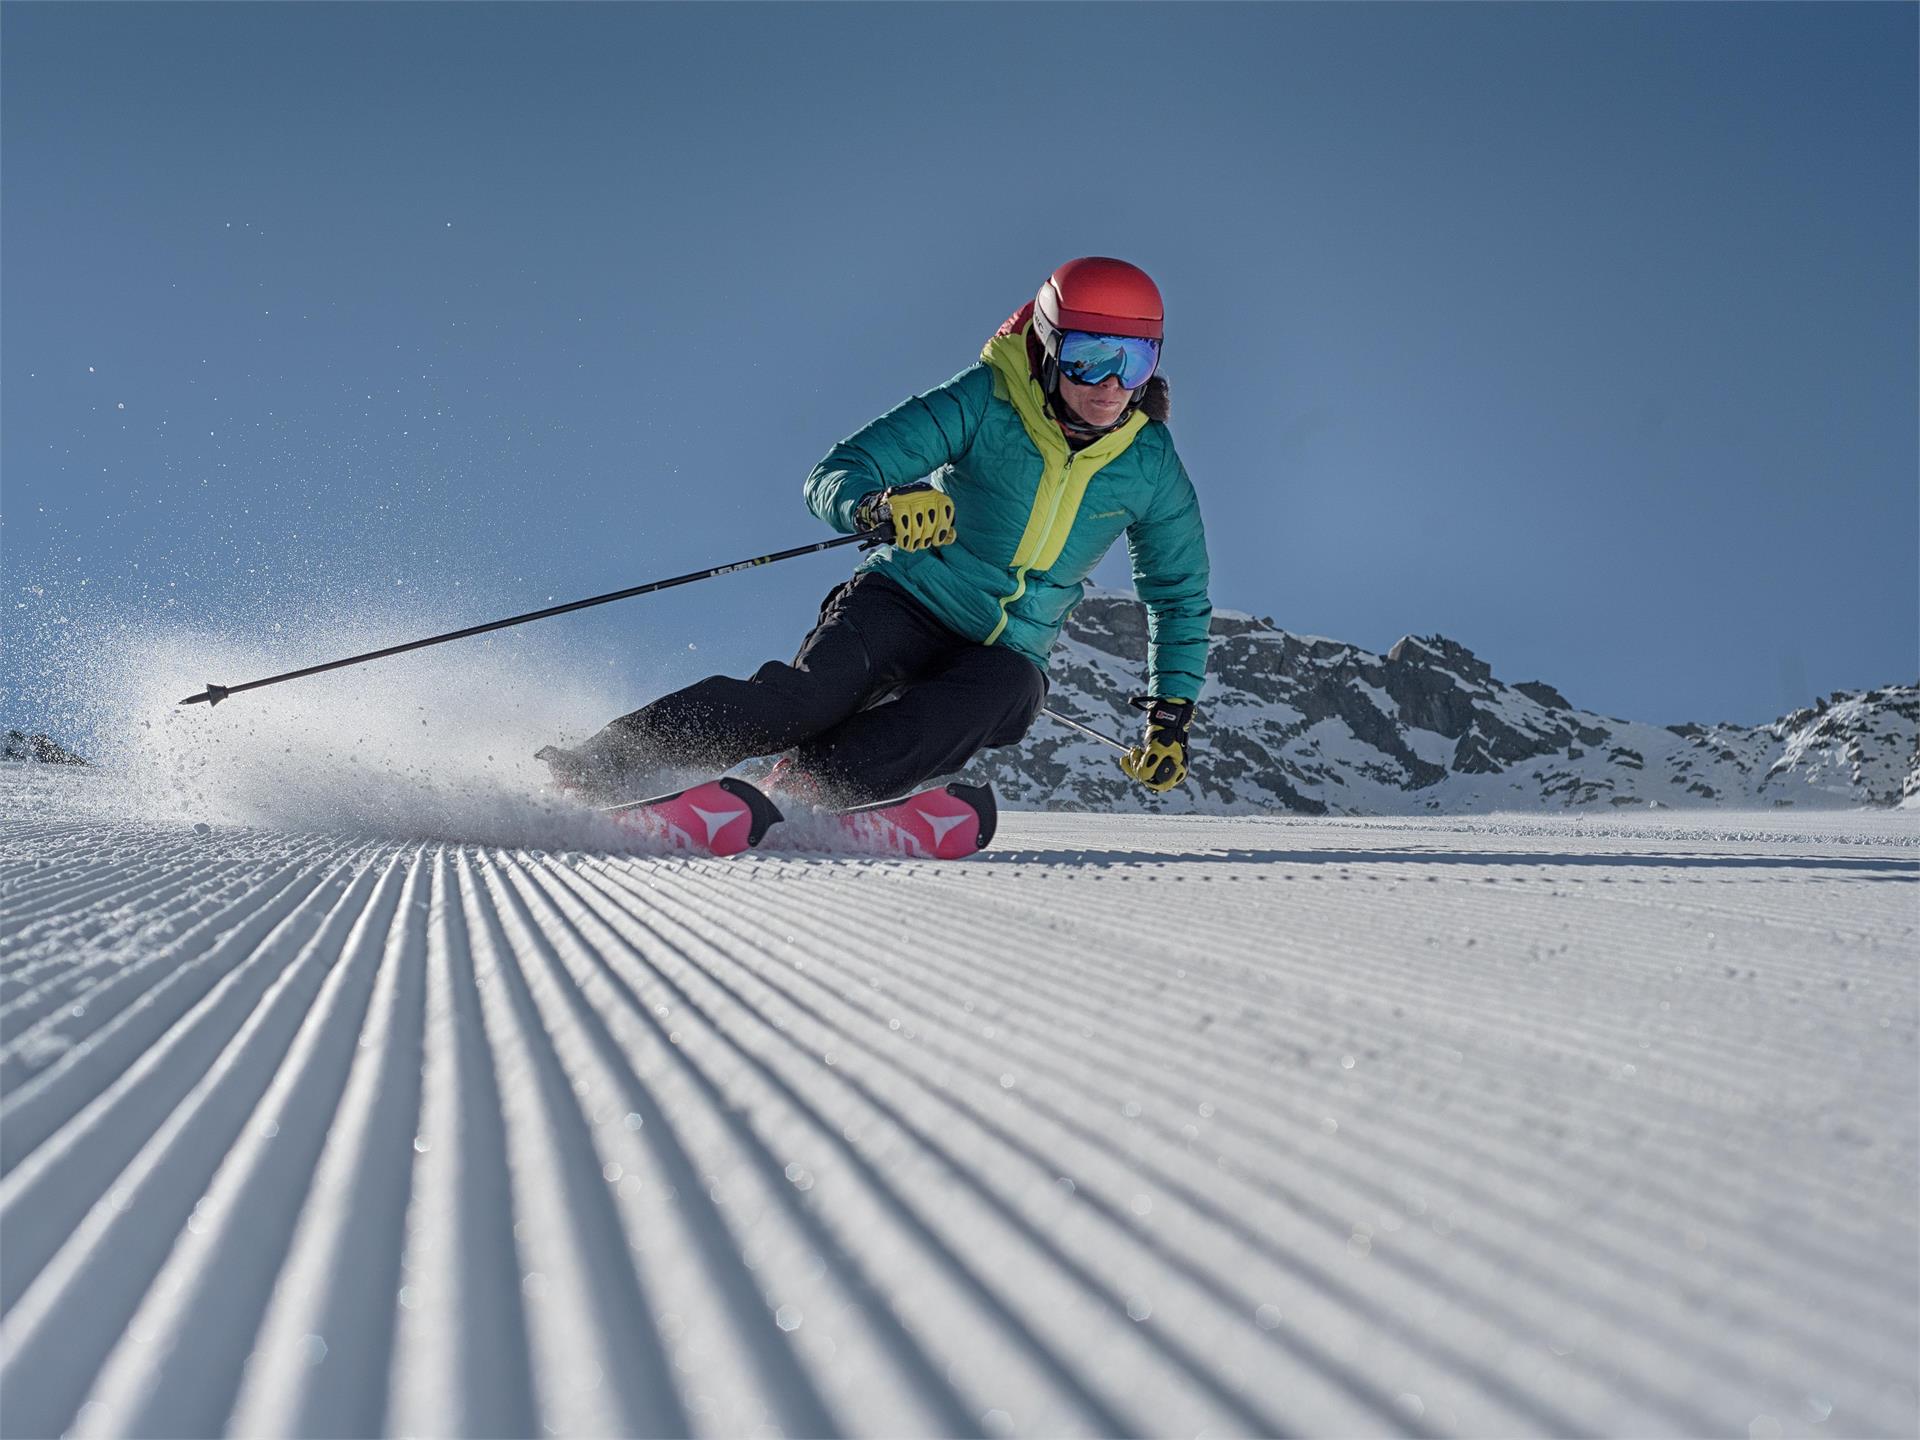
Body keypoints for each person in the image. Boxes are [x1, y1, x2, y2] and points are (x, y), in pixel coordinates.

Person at [539, 255, 1212, 809]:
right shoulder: (986, 398)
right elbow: (839, 472)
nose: (1110, 385)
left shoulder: (1150, 466)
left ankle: (804, 791)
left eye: (1133, 361)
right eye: (1091, 357)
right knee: (806, 700)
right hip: (904, 600)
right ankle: (603, 765)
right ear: (1049, 344)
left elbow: (1178, 593)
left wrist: (1170, 715)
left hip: (1005, 650)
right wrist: (879, 508)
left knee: (1002, 694)